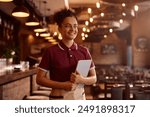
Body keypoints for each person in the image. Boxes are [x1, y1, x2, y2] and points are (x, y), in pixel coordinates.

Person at [36, 9, 97, 100]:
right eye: (68, 26)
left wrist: (81, 80)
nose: (73, 29)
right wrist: (63, 85)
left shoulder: (84, 51)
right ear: (59, 28)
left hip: (79, 99)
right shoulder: (50, 51)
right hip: (58, 99)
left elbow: (94, 78)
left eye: (75, 26)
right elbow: (39, 79)